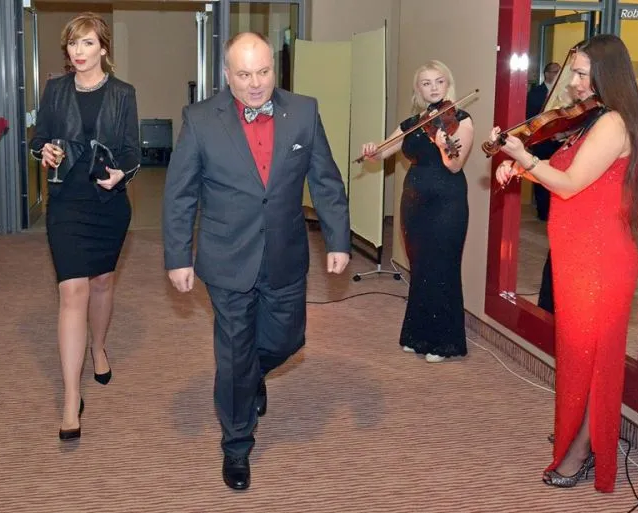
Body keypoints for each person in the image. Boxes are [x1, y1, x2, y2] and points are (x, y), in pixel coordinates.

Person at [162, 32, 351, 491]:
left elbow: (325, 181)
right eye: (244, 74)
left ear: (274, 69)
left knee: (286, 340)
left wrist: (338, 241)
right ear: (227, 75)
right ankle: (236, 445)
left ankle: (251, 375)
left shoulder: (303, 111)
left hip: (285, 252)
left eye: (263, 72)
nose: (255, 83)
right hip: (227, 256)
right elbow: (180, 194)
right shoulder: (200, 119)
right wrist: (178, 256)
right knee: (233, 353)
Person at [489, 34, 638, 493]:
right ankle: (580, 429)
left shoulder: (613, 123)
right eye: (573, 72)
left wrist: (522, 155)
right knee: (578, 353)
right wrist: (520, 168)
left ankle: (585, 446)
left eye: (581, 73)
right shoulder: (589, 120)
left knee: (594, 357)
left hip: (601, 260)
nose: (573, 83)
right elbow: (563, 172)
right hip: (577, 256)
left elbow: (571, 183)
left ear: (606, 74)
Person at [29, 12, 140, 441]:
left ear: (103, 49)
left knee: (102, 283)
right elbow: (38, 138)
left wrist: (122, 174)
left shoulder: (123, 93)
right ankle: (71, 397)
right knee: (72, 290)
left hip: (108, 204)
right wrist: (44, 151)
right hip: (66, 202)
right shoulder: (55, 90)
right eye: (73, 43)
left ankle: (99, 346)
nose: (78, 51)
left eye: (87, 43)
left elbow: (131, 150)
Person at [361, 60, 474, 363]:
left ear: (448, 84)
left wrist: (442, 143)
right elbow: (383, 152)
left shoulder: (461, 120)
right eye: (426, 83)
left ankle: (444, 342)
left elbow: (454, 165)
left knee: (442, 268)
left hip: (447, 203)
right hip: (414, 203)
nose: (433, 88)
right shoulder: (411, 123)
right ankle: (417, 335)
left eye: (439, 81)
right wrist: (372, 150)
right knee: (420, 268)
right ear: (418, 90)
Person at [526, 62, 562, 313]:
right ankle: (543, 210)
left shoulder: (607, 123)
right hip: (542, 144)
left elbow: (570, 180)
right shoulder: (536, 93)